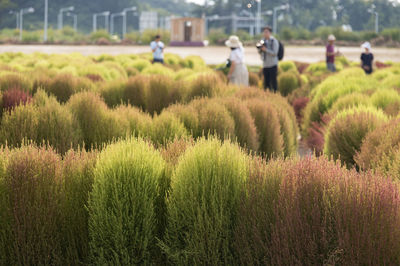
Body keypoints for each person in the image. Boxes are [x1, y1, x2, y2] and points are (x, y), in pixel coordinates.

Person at [259, 26, 279, 93]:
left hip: (273, 64)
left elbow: (275, 53)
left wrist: (266, 50)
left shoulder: (274, 41)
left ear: (270, 33)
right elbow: (260, 52)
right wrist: (260, 50)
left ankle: (275, 95)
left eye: (266, 32)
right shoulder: (262, 41)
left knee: (273, 82)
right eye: (264, 32)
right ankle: (267, 95)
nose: (265, 33)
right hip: (265, 65)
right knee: (266, 83)